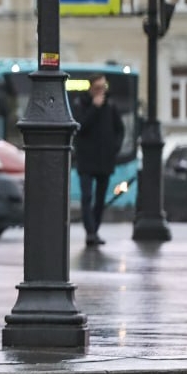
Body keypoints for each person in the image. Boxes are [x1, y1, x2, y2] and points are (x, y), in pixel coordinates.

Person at [73, 74, 124, 247]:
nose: (101, 91)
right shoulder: (81, 104)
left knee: (100, 198)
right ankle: (90, 232)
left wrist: (114, 149)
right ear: (91, 88)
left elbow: (120, 129)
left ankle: (95, 229)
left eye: (104, 87)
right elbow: (80, 127)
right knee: (87, 196)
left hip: (104, 160)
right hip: (86, 159)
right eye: (98, 88)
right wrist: (94, 108)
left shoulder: (111, 105)